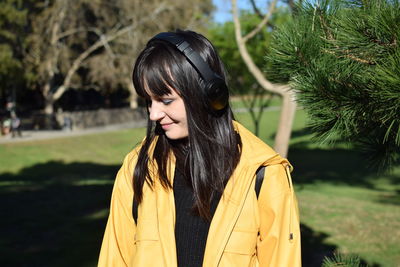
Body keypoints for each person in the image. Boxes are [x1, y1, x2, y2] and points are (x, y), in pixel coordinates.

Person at [98, 30, 301, 267]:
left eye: (165, 100)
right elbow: (115, 258)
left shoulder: (264, 173)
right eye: (148, 101)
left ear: (209, 94)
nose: (153, 114)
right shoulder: (137, 168)